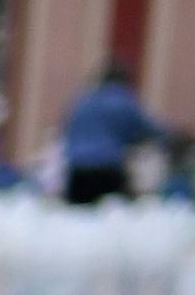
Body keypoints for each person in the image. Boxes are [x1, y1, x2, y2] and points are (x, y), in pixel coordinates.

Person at [59, 59, 161, 204]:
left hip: (77, 170)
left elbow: (65, 128)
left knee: (78, 220)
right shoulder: (123, 100)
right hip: (107, 171)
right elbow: (147, 128)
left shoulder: (82, 100)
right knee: (112, 217)